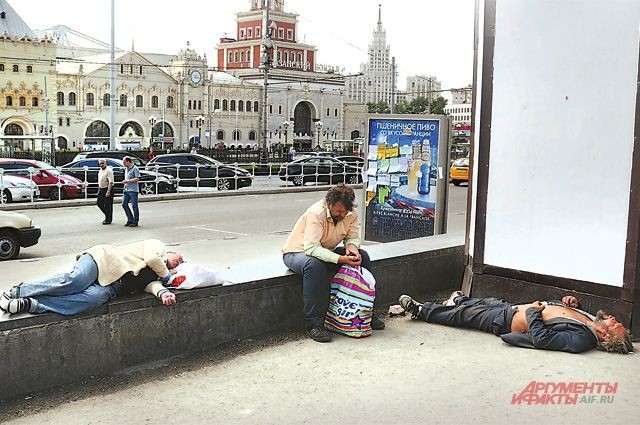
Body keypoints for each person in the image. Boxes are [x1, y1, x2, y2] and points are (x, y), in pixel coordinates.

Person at [281, 184, 385, 342]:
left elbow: (352, 236)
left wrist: (352, 249)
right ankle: (314, 324)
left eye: (345, 211)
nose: (342, 214)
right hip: (297, 252)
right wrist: (340, 259)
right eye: (338, 211)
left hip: (324, 251)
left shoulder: (350, 214)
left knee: (363, 256)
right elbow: (311, 248)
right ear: (329, 204)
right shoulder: (316, 213)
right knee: (314, 266)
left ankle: (365, 314)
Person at [399, 291, 634, 354]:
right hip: (512, 308)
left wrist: (532, 312)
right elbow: (562, 316)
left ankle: (423, 310)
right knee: (485, 302)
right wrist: (573, 304)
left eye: (614, 325)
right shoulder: (592, 321)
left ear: (605, 337)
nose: (614, 319)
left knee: (464, 315)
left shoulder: (581, 340)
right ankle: (459, 299)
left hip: (509, 321)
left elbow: (543, 339)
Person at [0, 239, 184, 316]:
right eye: (179, 259)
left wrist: (163, 293)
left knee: (94, 298)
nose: (179, 263)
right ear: (171, 252)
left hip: (111, 287)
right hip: (103, 260)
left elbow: (150, 286)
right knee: (76, 281)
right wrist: (167, 276)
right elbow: (152, 259)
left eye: (182, 264)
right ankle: (18, 291)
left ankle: (33, 304)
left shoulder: (159, 276)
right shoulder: (158, 248)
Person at [122, 156, 141, 227]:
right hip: (126, 189)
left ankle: (135, 221)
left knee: (134, 206)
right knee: (124, 204)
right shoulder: (126, 169)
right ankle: (130, 219)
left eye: (124, 162)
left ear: (128, 161)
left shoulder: (135, 168)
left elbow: (137, 178)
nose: (123, 163)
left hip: (133, 190)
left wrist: (127, 181)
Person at [96, 159, 114, 225]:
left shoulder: (109, 170)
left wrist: (108, 191)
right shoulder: (100, 170)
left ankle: (108, 219)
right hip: (101, 188)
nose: (101, 165)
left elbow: (111, 182)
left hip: (107, 188)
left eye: (103, 163)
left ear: (105, 163)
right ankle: (108, 216)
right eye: (100, 163)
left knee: (108, 205)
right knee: (99, 203)